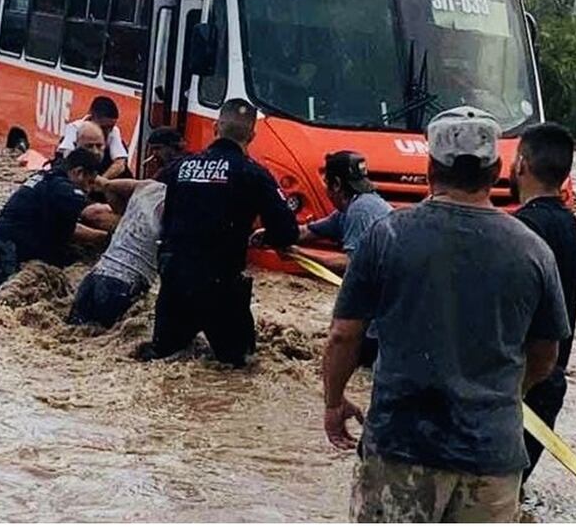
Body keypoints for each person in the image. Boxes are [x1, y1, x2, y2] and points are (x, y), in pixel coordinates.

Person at [323, 106, 570, 523]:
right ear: (496, 170)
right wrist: (505, 396)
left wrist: (333, 402)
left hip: (400, 450)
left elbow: (343, 336)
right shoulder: (532, 251)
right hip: (492, 456)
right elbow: (546, 356)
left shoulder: (388, 236)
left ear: (430, 167)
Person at [138, 99, 299, 367]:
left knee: (164, 361)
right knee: (240, 369)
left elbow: (147, 207)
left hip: (175, 282)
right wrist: (264, 237)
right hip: (221, 287)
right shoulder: (254, 174)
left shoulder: (180, 168)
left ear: (215, 128)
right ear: (251, 135)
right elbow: (286, 232)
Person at [510, 122, 576, 485]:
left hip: (516, 385)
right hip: (551, 381)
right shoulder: (571, 226)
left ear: (521, 164)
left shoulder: (521, 230)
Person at [67, 128, 187, 328]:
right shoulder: (176, 206)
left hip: (93, 279)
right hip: (122, 287)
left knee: (75, 334)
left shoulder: (145, 187)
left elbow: (108, 186)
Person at [0, 148, 108, 296]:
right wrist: (112, 234)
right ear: (78, 172)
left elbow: (66, 228)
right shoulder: (64, 190)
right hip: (6, 258)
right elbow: (95, 214)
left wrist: (99, 237)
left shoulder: (45, 178)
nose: (89, 189)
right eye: (90, 182)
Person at [275, 150, 392, 275]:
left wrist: (298, 253)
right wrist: (273, 235)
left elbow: (350, 264)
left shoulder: (360, 210)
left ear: (336, 184)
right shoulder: (348, 210)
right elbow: (309, 232)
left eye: (326, 182)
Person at [57, 96, 129, 180]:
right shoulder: (75, 128)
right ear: (91, 119)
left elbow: (120, 164)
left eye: (111, 127)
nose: (108, 132)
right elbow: (68, 159)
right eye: (103, 127)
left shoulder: (114, 131)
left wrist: (99, 182)